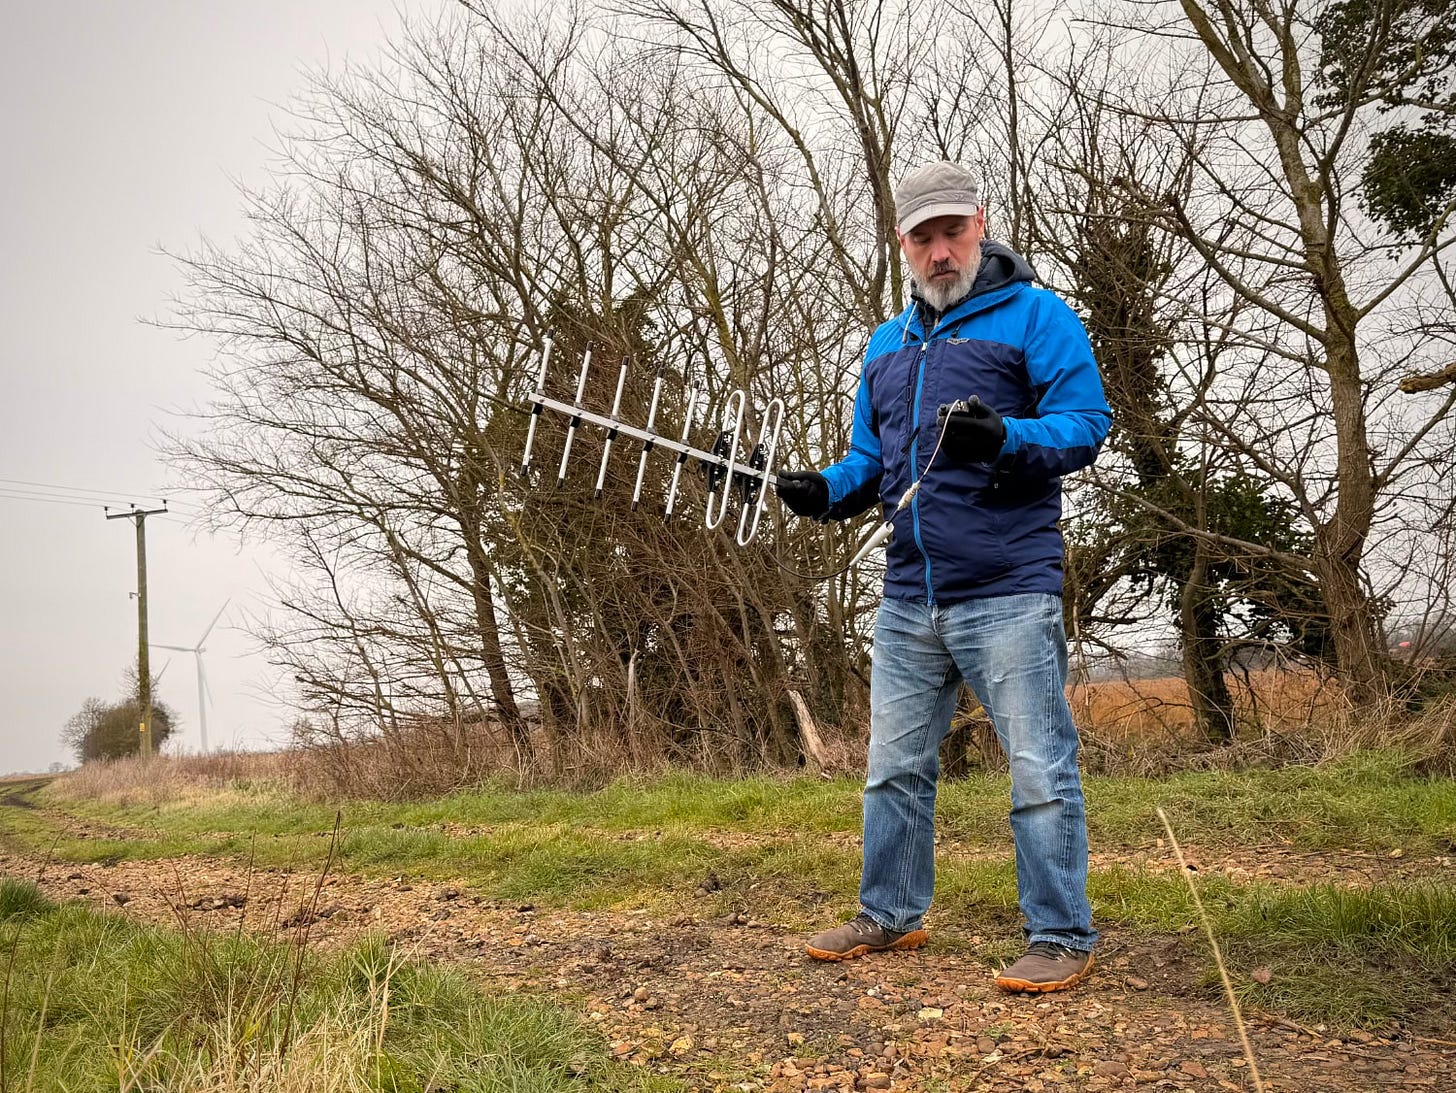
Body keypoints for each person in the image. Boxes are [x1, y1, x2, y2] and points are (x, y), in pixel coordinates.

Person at [775, 161, 1111, 993]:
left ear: (980, 223)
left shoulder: (1037, 316)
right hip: (908, 596)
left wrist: (1003, 438)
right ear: (903, 245)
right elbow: (870, 459)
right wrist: (823, 492)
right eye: (922, 237)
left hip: (1008, 585)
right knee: (893, 767)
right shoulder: (887, 345)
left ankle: (1061, 932)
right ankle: (888, 912)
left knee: (1037, 766)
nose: (940, 251)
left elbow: (1086, 424)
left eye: (952, 231)